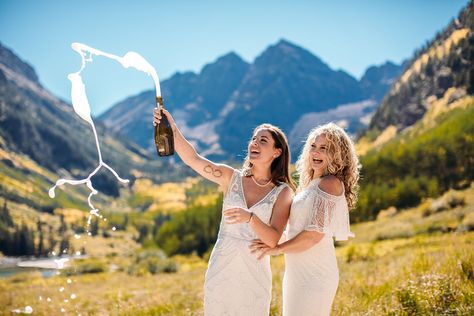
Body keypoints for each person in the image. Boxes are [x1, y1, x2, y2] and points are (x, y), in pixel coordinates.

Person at [153, 108, 294, 315]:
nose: (254, 143)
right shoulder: (230, 177)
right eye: (254, 139)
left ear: (277, 152)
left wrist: (250, 218)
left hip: (253, 271)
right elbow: (193, 159)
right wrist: (172, 128)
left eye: (263, 141)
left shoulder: (282, 192)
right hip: (222, 266)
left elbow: (273, 239)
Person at [250, 122, 360, 316]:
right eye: (313, 146)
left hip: (315, 275)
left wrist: (277, 249)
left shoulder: (330, 183)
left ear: (337, 154)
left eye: (324, 149)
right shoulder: (310, 185)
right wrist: (269, 238)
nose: (316, 153)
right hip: (296, 273)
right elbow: (296, 230)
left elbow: (314, 235)